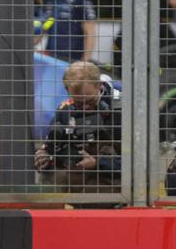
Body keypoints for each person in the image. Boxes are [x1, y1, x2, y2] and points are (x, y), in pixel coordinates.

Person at [34, 61, 121, 191]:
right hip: (80, 170)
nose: (85, 108)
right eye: (79, 103)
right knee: (48, 181)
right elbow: (51, 143)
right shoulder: (65, 109)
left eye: (90, 101)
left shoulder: (122, 109)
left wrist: (97, 163)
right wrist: (45, 154)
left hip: (113, 175)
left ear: (99, 85)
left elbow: (137, 162)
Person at [35, 0, 98, 64]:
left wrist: (85, 61)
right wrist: (34, 42)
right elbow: (48, 23)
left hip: (73, 57)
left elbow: (89, 31)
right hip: (52, 56)